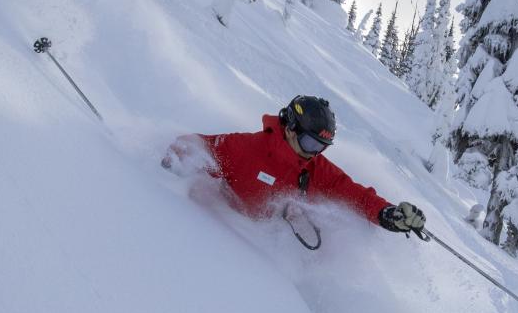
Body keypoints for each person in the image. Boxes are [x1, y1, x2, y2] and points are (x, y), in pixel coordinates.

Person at [163, 95, 426, 234]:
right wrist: (171, 161)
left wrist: (386, 214)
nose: (314, 154)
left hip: (273, 245)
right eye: (310, 143)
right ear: (290, 128)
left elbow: (354, 194)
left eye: (321, 147)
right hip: (227, 234)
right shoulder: (245, 148)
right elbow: (197, 147)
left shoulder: (315, 168)